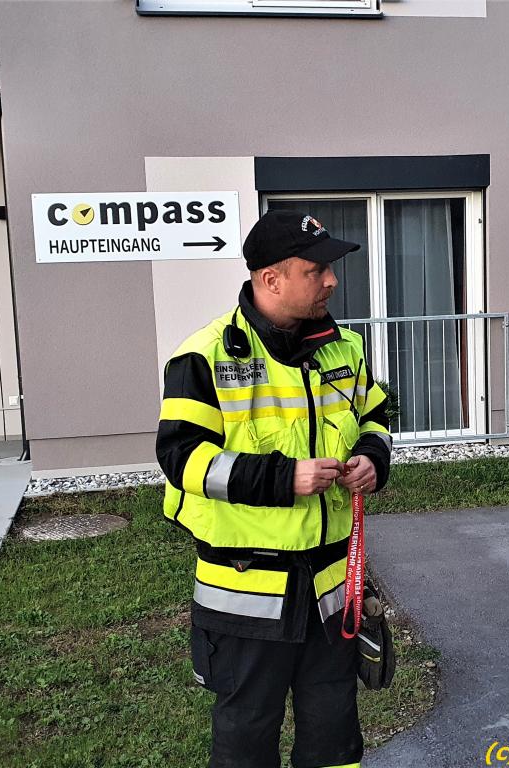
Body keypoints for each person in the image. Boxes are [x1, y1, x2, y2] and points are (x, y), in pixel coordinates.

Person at [156, 209, 392, 768]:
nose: (331, 280)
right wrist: (286, 478)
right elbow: (182, 458)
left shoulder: (345, 348)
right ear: (271, 279)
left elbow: (376, 417)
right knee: (246, 738)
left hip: (331, 590)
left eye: (330, 268)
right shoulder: (204, 356)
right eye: (316, 270)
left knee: (335, 737)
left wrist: (372, 458)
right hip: (246, 593)